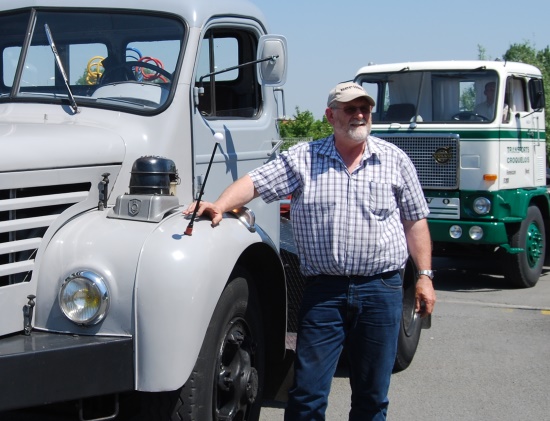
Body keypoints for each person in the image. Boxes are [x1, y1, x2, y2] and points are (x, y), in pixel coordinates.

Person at [184, 81, 436, 420]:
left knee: (372, 396)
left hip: (381, 290)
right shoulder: (303, 158)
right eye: (350, 109)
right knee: (306, 396)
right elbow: (255, 182)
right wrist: (219, 205)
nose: (359, 115)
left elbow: (415, 223)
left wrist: (424, 276)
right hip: (325, 294)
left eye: (365, 109)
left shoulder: (395, 160)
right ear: (331, 115)